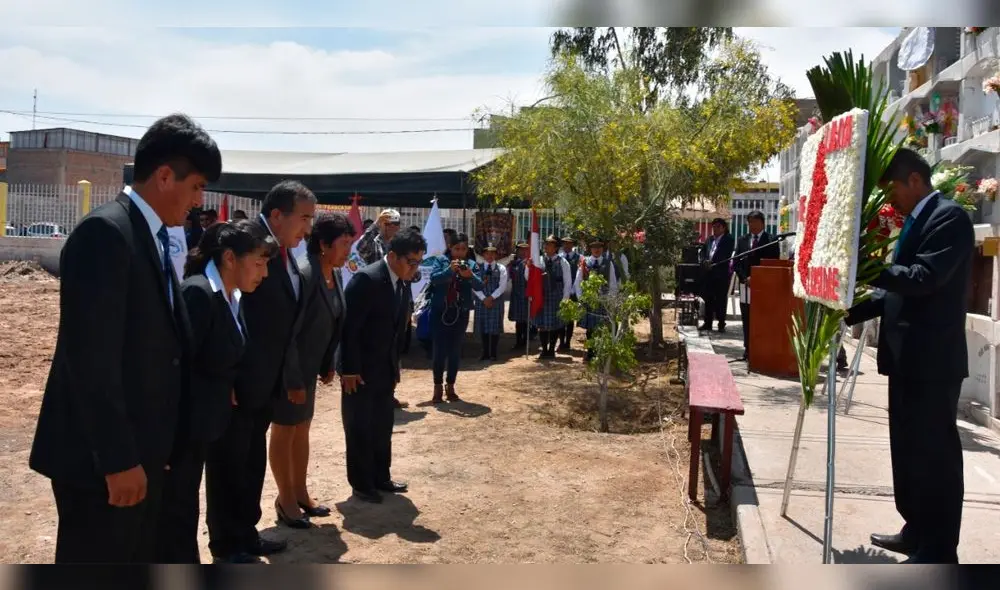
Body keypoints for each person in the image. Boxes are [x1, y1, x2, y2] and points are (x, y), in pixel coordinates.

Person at [28, 114, 221, 563]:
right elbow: (89, 358)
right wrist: (117, 460)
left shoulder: (150, 233)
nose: (198, 200)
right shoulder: (107, 233)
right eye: (195, 187)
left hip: (141, 451)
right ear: (165, 176)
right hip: (103, 463)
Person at [845, 148, 973, 564]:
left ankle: (938, 549)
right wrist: (851, 310)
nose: (891, 201)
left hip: (933, 363)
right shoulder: (916, 221)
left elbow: (924, 279)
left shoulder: (949, 218)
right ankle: (915, 530)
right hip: (907, 361)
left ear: (915, 181)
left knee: (935, 457)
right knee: (908, 452)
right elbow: (892, 291)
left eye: (893, 190)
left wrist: (863, 266)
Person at [207, 180, 315, 563]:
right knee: (229, 464)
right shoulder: (244, 245)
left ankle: (245, 533)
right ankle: (226, 540)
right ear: (276, 215)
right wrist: (229, 377)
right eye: (303, 218)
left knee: (250, 461)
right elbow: (227, 315)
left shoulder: (281, 254)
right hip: (239, 382)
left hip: (264, 382)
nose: (307, 228)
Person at [156, 220, 276, 563]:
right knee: (175, 518)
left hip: (206, 423)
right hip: (181, 431)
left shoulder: (230, 297)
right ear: (229, 258)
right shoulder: (199, 294)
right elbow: (175, 367)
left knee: (185, 511)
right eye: (258, 263)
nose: (264, 273)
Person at [269, 212, 353, 530]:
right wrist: (292, 378)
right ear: (323, 244)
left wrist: (327, 363)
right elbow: (289, 332)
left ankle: (300, 493)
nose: (348, 251)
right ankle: (285, 499)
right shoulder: (304, 275)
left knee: (302, 428)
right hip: (290, 370)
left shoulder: (335, 275)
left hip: (309, 369)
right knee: (285, 430)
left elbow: (332, 322)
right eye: (343, 244)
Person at [340, 228, 427, 503]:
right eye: (411, 262)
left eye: (418, 262)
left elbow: (396, 329)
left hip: (385, 368)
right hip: (361, 370)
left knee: (381, 425)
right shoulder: (367, 279)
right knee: (359, 427)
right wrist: (349, 368)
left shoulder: (400, 282)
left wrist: (394, 366)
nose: (415, 268)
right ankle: (362, 483)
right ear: (392, 256)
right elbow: (349, 329)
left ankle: (381, 476)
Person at [356, 208, 408, 410]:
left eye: (396, 224)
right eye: (389, 224)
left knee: (395, 347)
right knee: (376, 344)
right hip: (376, 297)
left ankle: (389, 392)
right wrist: (374, 226)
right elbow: (360, 248)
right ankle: (373, 392)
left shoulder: (401, 245)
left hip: (398, 296)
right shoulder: (374, 241)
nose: (393, 228)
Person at [427, 232, 484, 401]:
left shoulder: (471, 264)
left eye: (463, 249)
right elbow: (433, 279)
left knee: (455, 351)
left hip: (460, 313)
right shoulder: (441, 261)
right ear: (450, 248)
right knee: (439, 351)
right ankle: (437, 387)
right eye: (456, 248)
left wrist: (470, 276)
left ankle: (450, 385)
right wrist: (448, 271)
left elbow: (480, 285)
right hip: (440, 312)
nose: (460, 252)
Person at [733, 210, 780, 361]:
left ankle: (761, 348)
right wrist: (744, 278)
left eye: (754, 222)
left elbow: (773, 262)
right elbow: (736, 262)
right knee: (746, 319)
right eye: (749, 222)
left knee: (761, 319)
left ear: (762, 223)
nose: (751, 225)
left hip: (762, 287)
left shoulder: (771, 240)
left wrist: (757, 277)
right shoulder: (742, 240)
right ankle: (748, 349)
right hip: (745, 286)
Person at [576, 238, 621, 361]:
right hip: (589, 300)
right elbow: (578, 282)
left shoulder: (608, 263)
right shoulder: (584, 262)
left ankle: (600, 352)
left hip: (603, 301)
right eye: (594, 247)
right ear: (590, 249)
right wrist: (581, 299)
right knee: (590, 329)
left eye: (599, 247)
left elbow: (613, 283)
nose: (596, 250)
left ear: (602, 249)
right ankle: (590, 353)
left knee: (602, 328)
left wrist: (610, 300)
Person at [530, 235, 572, 360]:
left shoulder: (563, 262)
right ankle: (544, 349)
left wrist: (565, 298)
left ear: (556, 247)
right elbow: (529, 277)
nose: (547, 246)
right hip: (542, 296)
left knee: (555, 324)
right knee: (542, 325)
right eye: (546, 244)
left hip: (556, 296)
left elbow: (568, 281)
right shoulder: (539, 261)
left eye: (550, 244)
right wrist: (529, 267)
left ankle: (552, 349)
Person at [699, 218, 735, 333]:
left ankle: (721, 323)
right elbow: (703, 252)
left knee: (720, 299)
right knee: (708, 298)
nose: (715, 229)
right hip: (708, 273)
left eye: (718, 226)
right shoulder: (709, 239)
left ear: (724, 228)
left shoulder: (728, 239)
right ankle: (707, 323)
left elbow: (726, 255)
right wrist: (704, 261)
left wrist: (713, 264)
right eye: (713, 226)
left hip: (720, 273)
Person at [473, 244, 508, 361]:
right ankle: (485, 352)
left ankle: (493, 352)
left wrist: (491, 297)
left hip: (495, 302)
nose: (490, 256)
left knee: (494, 328)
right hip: (481, 301)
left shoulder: (501, 268)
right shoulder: (477, 268)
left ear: (496, 255)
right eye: (487, 253)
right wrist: (483, 298)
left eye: (492, 253)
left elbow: (502, 286)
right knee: (483, 327)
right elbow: (474, 286)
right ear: (483, 255)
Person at [507, 241, 531, 351]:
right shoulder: (513, 264)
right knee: (518, 320)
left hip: (526, 294)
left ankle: (525, 341)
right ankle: (518, 341)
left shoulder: (530, 263)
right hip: (516, 294)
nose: (523, 251)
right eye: (520, 249)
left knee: (526, 320)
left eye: (525, 249)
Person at [558, 236, 581, 351]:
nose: (567, 246)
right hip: (561, 292)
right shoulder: (559, 258)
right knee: (561, 318)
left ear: (573, 245)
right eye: (565, 243)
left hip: (573, 292)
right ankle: (561, 342)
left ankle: (567, 342)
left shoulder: (579, 258)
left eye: (569, 244)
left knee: (570, 319)